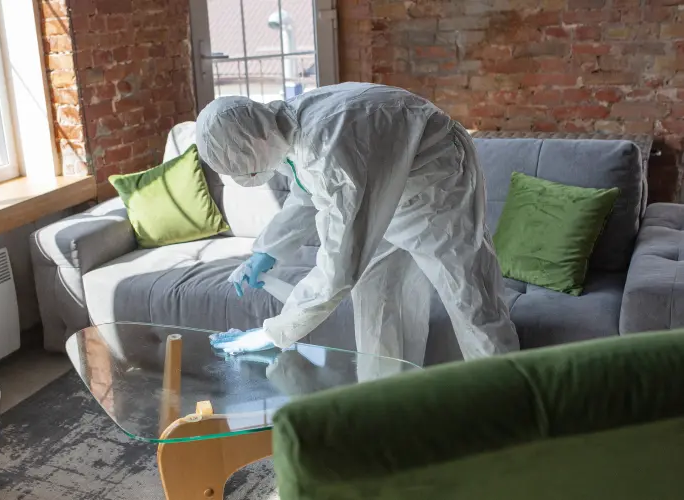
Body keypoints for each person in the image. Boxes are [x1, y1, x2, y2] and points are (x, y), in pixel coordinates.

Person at [199, 82, 519, 363]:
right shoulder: (283, 131)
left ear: (258, 141)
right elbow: (309, 190)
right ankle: (383, 407)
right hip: (381, 177)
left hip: (433, 183)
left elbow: (339, 266)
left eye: (248, 170)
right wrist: (267, 250)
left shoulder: (328, 146)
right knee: (376, 300)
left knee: (469, 295)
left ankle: (512, 411)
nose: (250, 177)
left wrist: (274, 332)